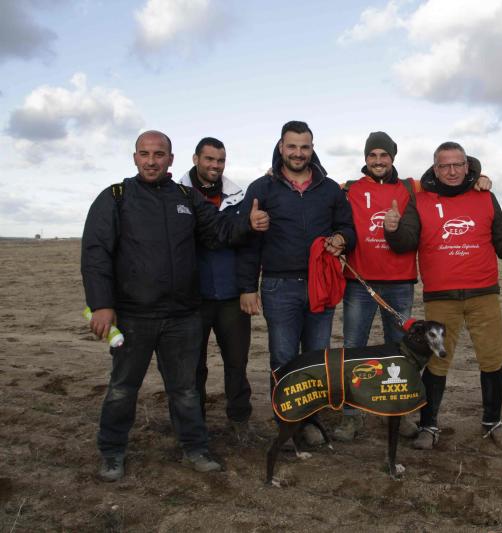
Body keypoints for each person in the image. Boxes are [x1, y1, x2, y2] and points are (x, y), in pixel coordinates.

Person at [81, 130, 269, 482]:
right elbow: (95, 255)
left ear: (171, 158)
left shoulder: (186, 197)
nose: (151, 160)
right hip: (133, 316)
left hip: (182, 316)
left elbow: (217, 233)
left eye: (159, 154)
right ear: (134, 157)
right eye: (144, 154)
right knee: (123, 388)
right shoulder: (115, 197)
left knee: (185, 390)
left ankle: (195, 448)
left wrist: (248, 223)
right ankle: (111, 452)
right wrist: (102, 305)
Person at [384, 141, 502, 451]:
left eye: (457, 165)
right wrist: (393, 229)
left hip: (484, 296)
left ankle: (493, 423)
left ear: (468, 166)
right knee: (437, 363)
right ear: (434, 169)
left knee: (492, 361)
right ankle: (429, 425)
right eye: (444, 166)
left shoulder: (486, 198)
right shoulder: (420, 201)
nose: (451, 171)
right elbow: (404, 243)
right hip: (440, 299)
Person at [333, 131, 491, 442]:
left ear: (392, 157)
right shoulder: (348, 189)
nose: (378, 161)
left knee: (402, 356)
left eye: (384, 155)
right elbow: (314, 188)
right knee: (353, 352)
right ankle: (351, 417)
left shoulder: (411, 187)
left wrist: (479, 177)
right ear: (365, 158)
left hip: (400, 284)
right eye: (372, 155)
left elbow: (449, 181)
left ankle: (400, 413)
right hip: (359, 286)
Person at [237, 120, 355, 447]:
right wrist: (248, 286)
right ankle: (286, 422)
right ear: (281, 147)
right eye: (292, 146)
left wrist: (341, 239)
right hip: (279, 286)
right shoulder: (262, 188)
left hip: (321, 284)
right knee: (283, 357)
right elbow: (248, 242)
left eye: (304, 147)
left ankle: (310, 419)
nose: (298, 153)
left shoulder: (329, 188)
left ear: (312, 149)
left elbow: (348, 228)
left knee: (316, 359)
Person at [177, 137, 255, 442]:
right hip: (191, 298)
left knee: (237, 363)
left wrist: (248, 287)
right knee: (192, 366)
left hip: (231, 296)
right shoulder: (177, 194)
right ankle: (194, 425)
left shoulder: (238, 196)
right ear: (196, 158)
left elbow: (249, 247)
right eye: (209, 159)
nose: (215, 166)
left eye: (220, 161)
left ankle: (240, 421)